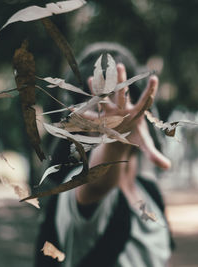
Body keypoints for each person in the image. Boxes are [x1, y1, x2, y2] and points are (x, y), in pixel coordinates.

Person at [35, 42, 175, 267]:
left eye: (121, 101)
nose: (112, 114)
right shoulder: (74, 188)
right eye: (99, 109)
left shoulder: (149, 191)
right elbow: (96, 184)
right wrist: (116, 139)